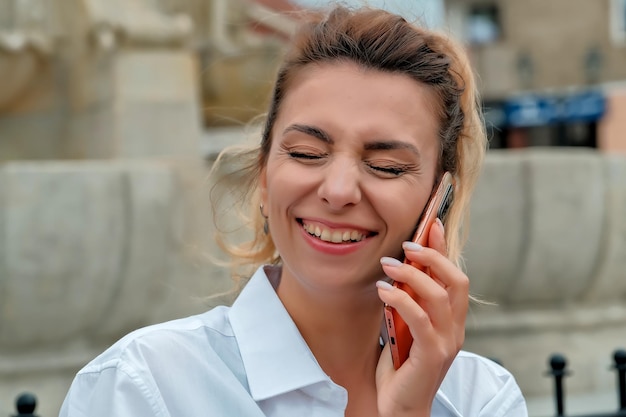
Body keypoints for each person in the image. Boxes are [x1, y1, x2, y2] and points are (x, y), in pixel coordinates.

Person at [59, 5, 528, 417]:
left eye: (385, 166)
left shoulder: (480, 400)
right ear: (264, 176)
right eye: (306, 153)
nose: (339, 190)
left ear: (437, 201)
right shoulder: (144, 386)